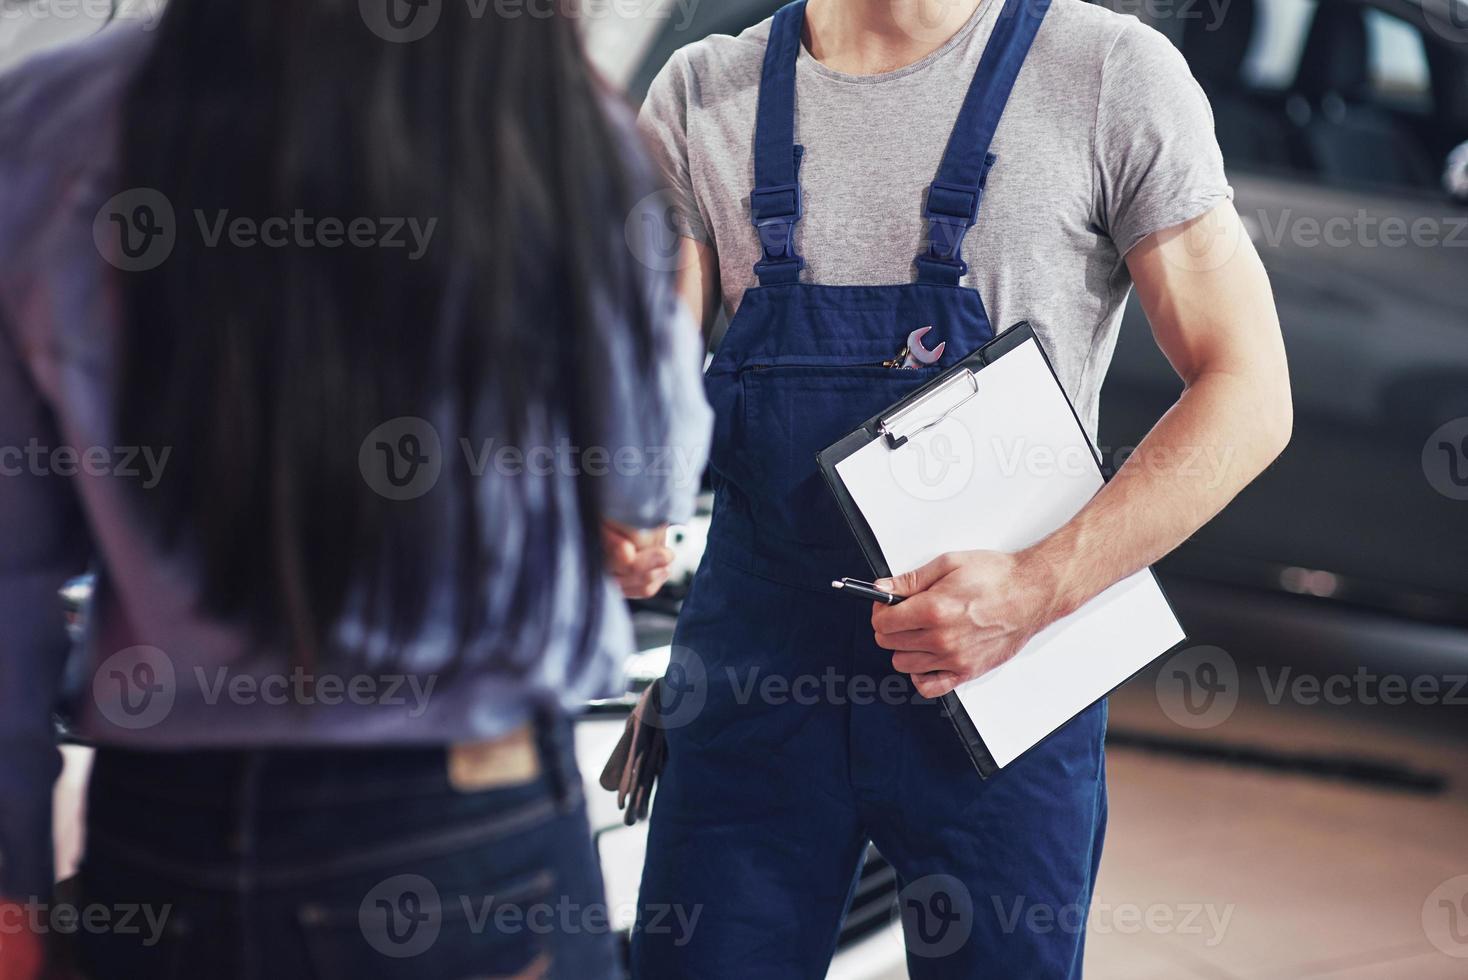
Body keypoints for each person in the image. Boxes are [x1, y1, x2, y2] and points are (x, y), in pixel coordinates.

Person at [0, 2, 710, 977]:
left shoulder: (51, 118)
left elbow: (12, 576)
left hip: (158, 841)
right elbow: (648, 471)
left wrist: (17, 883)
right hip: (463, 828)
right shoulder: (550, 124)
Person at [630, 0, 1291, 976]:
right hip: (753, 686)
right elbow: (639, 399)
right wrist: (614, 501)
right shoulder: (700, 94)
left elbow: (1249, 391)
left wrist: (1037, 585)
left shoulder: (1108, 75)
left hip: (1008, 676)